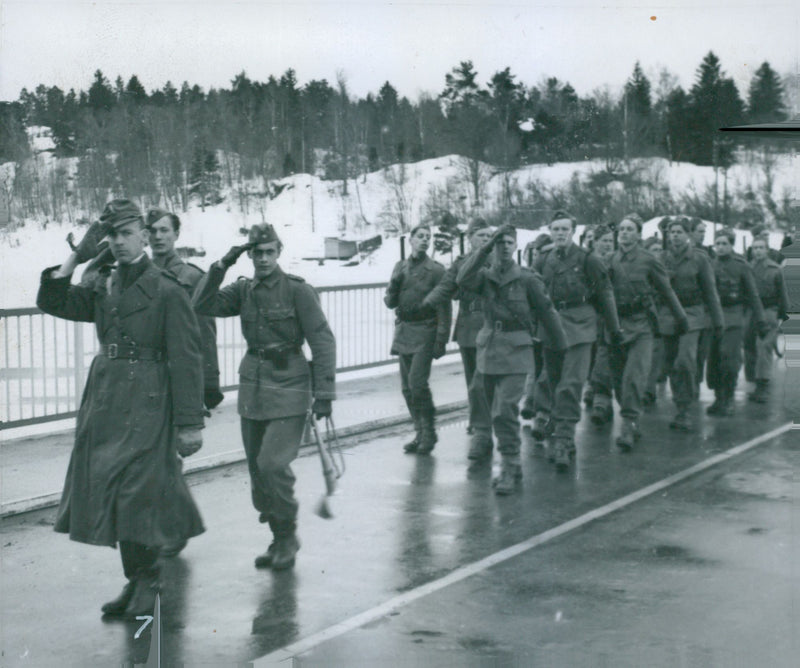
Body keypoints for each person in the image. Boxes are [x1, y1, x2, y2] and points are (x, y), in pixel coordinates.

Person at [36, 199, 205, 619]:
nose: (120, 242)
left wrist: (189, 424)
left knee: (137, 495)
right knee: (112, 492)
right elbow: (53, 301)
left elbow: (186, 358)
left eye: (127, 233)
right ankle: (136, 579)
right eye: (112, 235)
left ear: (145, 237)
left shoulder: (167, 288)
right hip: (108, 401)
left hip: (149, 401)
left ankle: (148, 579)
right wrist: (77, 255)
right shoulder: (103, 284)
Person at [193, 224, 336, 570]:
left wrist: (325, 393)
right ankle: (277, 536)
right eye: (256, 253)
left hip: (290, 385)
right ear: (250, 255)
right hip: (254, 387)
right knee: (259, 476)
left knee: (272, 464)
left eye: (269, 251)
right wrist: (223, 263)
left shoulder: (297, 290)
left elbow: (322, 339)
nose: (263, 258)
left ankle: (288, 537)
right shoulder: (243, 290)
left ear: (279, 252)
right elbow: (201, 303)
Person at [457, 224, 566, 494]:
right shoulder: (484, 277)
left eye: (508, 242)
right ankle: (511, 463)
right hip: (489, 349)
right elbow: (462, 279)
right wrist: (483, 249)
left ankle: (509, 462)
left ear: (516, 246)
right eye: (498, 243)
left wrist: (561, 346)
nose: (504, 247)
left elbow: (547, 311)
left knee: (504, 409)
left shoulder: (528, 279)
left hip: (517, 351)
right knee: (488, 403)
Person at [146, 208, 223, 557]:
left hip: (177, 380)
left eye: (165, 230)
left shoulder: (191, 277)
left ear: (176, 235)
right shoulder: (140, 274)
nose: (158, 236)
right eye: (152, 230)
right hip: (145, 382)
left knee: (165, 460)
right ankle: (173, 526)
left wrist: (208, 385)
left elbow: (204, 335)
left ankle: (175, 529)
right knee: (154, 460)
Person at [533, 211, 621, 469]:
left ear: (573, 232)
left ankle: (564, 439)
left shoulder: (588, 259)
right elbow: (533, 291)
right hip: (552, 326)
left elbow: (605, 293)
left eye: (564, 229)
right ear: (550, 231)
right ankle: (557, 427)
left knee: (570, 384)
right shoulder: (544, 259)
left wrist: (614, 328)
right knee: (554, 380)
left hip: (580, 326)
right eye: (555, 229)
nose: (560, 233)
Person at [606, 215, 688, 449]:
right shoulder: (609, 260)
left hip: (642, 326)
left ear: (639, 234)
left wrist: (681, 317)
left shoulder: (649, 260)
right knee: (619, 379)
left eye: (630, 229)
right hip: (616, 326)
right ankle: (632, 418)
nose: (624, 233)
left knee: (634, 377)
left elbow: (667, 291)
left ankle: (628, 425)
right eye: (621, 229)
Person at [420, 219, 493, 460]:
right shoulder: (462, 263)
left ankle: (485, 420)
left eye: (487, 236)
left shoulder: (496, 261)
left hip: (489, 325)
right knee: (471, 376)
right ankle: (476, 417)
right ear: (470, 238)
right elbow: (446, 287)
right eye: (480, 235)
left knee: (485, 378)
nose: (484, 239)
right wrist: (428, 302)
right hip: (467, 326)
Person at [384, 225, 452, 455]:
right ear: (411, 240)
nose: (424, 240)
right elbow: (390, 302)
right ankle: (420, 432)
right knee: (406, 387)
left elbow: (444, 306)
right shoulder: (400, 267)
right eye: (420, 237)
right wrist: (394, 283)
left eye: (428, 237)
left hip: (425, 330)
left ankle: (429, 432)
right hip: (404, 330)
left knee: (417, 383)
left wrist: (441, 339)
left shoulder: (436, 270)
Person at [659, 217, 723, 431]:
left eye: (679, 232)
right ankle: (680, 404)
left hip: (692, 315)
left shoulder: (699, 259)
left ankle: (684, 409)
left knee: (685, 361)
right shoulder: (660, 258)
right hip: (668, 315)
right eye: (672, 232)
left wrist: (718, 320)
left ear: (687, 235)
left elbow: (710, 291)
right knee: (669, 363)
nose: (675, 235)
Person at [706, 228, 768, 416]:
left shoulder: (741, 266)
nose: (721, 247)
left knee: (729, 359)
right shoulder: (710, 265)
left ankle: (728, 397)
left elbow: (753, 295)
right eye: (718, 244)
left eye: (725, 243)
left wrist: (761, 320)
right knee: (714, 360)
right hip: (713, 318)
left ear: (731, 245)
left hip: (733, 316)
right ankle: (718, 397)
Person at [744, 236, 790, 403]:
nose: (757, 251)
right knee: (749, 345)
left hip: (769, 310)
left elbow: (783, 295)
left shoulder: (775, 269)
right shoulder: (747, 268)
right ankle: (754, 380)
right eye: (755, 248)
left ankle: (763, 384)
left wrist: (784, 316)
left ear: (767, 250)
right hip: (750, 312)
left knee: (764, 346)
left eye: (761, 247)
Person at [586, 223, 617, 426]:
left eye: (610, 241)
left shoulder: (617, 262)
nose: (607, 245)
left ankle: (602, 400)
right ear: (594, 242)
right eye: (603, 241)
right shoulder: (587, 261)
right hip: (590, 317)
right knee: (591, 357)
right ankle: (596, 392)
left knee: (604, 358)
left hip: (611, 317)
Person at [520, 233, 553, 421]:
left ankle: (534, 403)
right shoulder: (530, 273)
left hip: (544, 322)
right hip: (536, 323)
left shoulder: (542, 270)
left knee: (541, 364)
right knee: (538, 364)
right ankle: (533, 401)